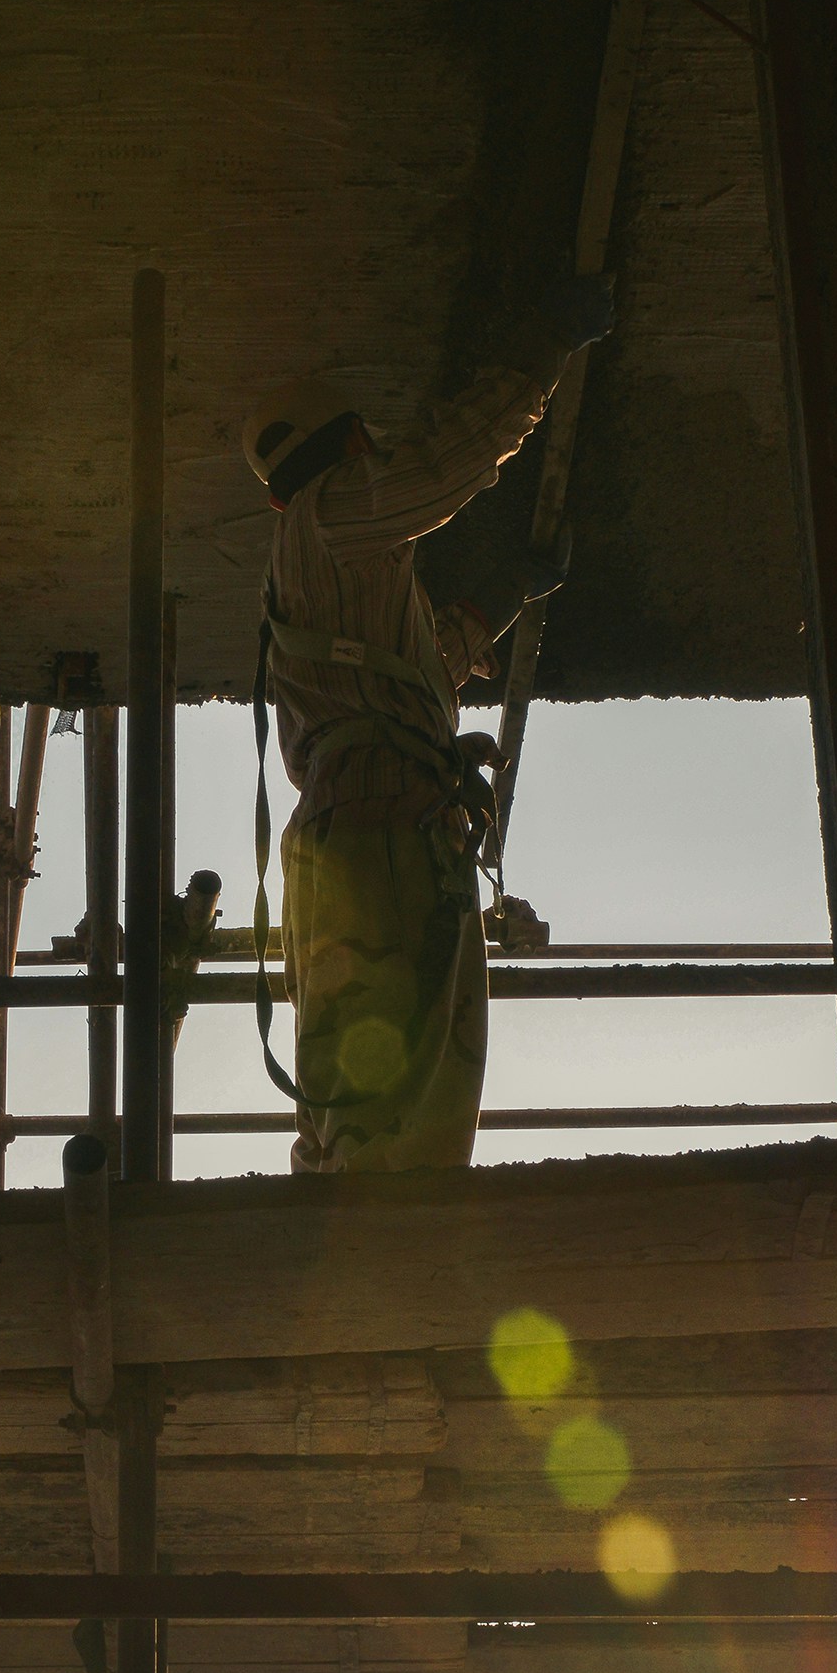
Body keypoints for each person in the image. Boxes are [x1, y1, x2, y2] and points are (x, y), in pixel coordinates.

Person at [242, 271, 614, 1173]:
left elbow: (421, 679)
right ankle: (376, 1273)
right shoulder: (333, 519)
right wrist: (540, 358)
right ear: (349, 447)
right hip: (382, 838)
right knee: (388, 1109)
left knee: (408, 1106)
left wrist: (502, 600)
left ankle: (376, 1269)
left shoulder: (334, 583)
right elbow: (445, 468)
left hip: (394, 833)